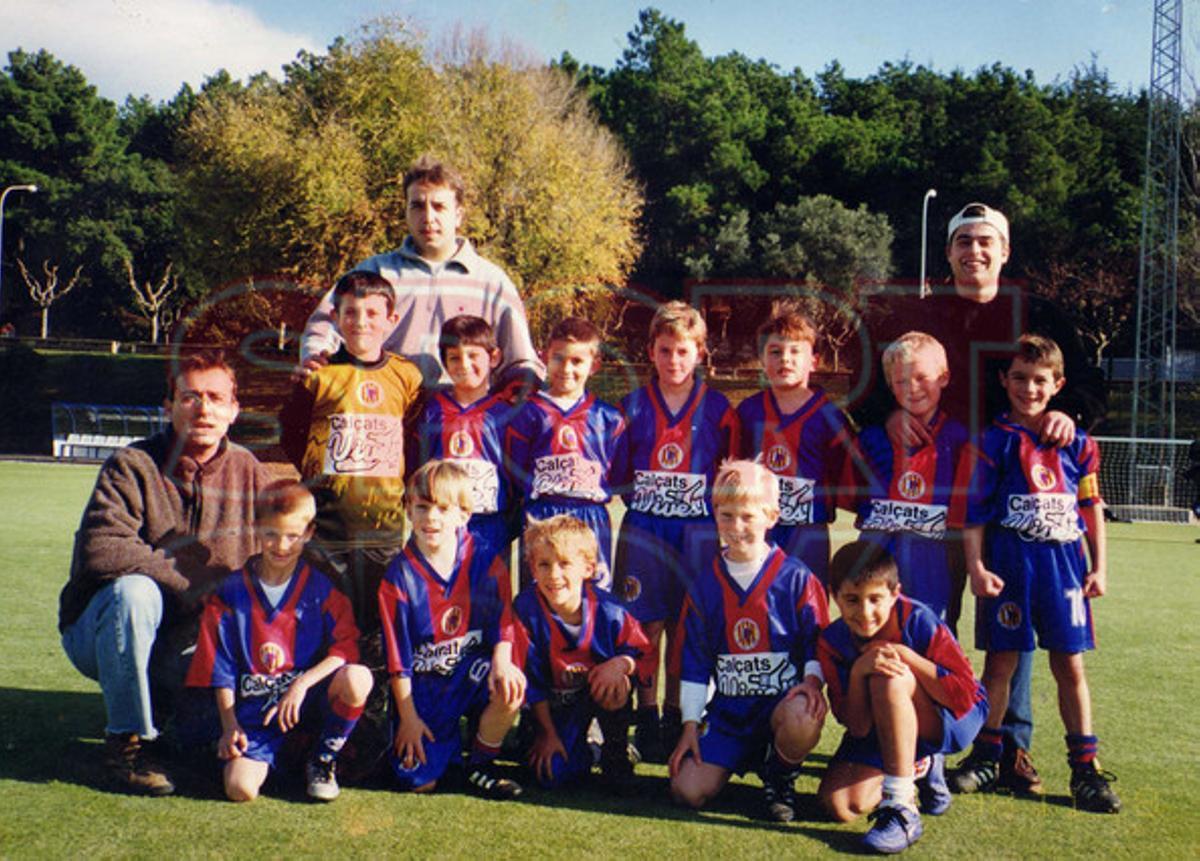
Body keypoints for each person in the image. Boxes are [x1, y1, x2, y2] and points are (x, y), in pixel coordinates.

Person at [855, 202, 1108, 795]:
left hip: (1005, 505)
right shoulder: (914, 315)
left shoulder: (1035, 314)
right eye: (963, 241)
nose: (974, 251)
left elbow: (1085, 383)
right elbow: (868, 389)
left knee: (1007, 633)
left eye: (986, 241)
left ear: (1005, 250)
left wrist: (1067, 416)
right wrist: (888, 414)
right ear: (948, 253)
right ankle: (912, 737)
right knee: (918, 617)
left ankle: (1007, 748)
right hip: (927, 502)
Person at [59, 350, 272, 795]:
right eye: (190, 396)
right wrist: (189, 584)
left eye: (216, 397)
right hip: (103, 635)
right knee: (135, 592)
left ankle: (174, 717)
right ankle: (129, 740)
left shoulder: (250, 472)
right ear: (168, 406)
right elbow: (102, 550)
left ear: (234, 409)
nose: (203, 408)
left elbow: (275, 558)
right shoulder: (132, 464)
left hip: (195, 642)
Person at [953, 335, 1121, 814]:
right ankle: (988, 756)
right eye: (1020, 379)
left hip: (1064, 570)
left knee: (1070, 666)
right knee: (1000, 665)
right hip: (1009, 569)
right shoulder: (989, 443)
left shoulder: (1079, 444)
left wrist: (1100, 567)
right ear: (1004, 381)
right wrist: (976, 566)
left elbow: (1092, 508)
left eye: (1040, 380)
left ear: (1058, 384)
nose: (1029, 388)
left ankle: (1084, 769)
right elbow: (974, 514)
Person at [186, 481, 372, 802]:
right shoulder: (230, 591)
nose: (281, 545)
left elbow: (346, 648)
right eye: (271, 534)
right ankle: (276, 758)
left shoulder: (322, 588)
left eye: (292, 536)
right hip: (254, 716)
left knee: (358, 678)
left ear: (309, 532)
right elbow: (221, 668)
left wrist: (301, 684)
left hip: (305, 710)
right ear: (257, 528)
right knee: (239, 789)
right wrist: (230, 725)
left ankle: (321, 757)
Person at [611, 300, 739, 763]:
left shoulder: (721, 409)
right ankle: (644, 715)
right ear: (651, 351)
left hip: (698, 534)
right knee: (646, 624)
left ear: (700, 353)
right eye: (665, 350)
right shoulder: (631, 406)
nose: (674, 360)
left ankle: (676, 713)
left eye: (683, 351)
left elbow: (729, 473)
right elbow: (620, 474)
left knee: (688, 627)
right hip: (645, 528)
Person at [669, 460, 828, 823]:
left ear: (771, 516)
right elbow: (694, 663)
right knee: (686, 790)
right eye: (726, 516)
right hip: (728, 714)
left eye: (747, 516)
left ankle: (780, 775)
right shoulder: (705, 584)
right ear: (715, 515)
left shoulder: (796, 579)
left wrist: (812, 683)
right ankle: (736, 757)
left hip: (779, 708)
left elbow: (814, 644)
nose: (736, 527)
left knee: (804, 717)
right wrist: (690, 725)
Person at [299, 155, 543, 391]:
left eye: (439, 206)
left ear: (458, 215)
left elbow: (520, 361)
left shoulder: (490, 282)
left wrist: (522, 391)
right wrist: (315, 357)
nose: (428, 217)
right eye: (417, 206)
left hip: (464, 421)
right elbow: (324, 326)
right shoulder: (374, 273)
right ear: (405, 211)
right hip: (384, 412)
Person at [817, 541, 988, 855]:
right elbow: (856, 727)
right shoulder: (832, 640)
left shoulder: (919, 620)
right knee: (841, 805)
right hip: (882, 719)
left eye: (875, 599)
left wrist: (905, 654)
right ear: (834, 595)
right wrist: (857, 672)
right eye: (852, 600)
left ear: (895, 593)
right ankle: (918, 763)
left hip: (950, 715)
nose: (865, 612)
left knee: (889, 676)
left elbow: (963, 696)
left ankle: (901, 808)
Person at [280, 270, 424, 628]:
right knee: (327, 624)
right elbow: (291, 435)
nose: (361, 323)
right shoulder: (319, 374)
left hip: (384, 529)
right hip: (328, 529)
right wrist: (321, 478)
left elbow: (415, 441)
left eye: (372, 314)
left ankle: (376, 683)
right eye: (351, 313)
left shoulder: (407, 377)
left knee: (380, 624)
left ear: (391, 320)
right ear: (336, 318)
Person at [377, 460, 525, 798]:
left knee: (511, 684)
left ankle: (481, 764)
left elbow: (503, 624)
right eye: (423, 507)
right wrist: (409, 718)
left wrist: (503, 663)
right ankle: (442, 747)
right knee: (420, 783)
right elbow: (398, 662)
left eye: (443, 509)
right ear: (408, 511)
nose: (432, 518)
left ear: (464, 514)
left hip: (470, 672)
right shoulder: (398, 578)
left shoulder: (486, 559)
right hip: (424, 689)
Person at [510, 514, 653, 791]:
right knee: (552, 774)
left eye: (565, 564)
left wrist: (622, 664)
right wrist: (547, 734)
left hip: (595, 695)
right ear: (532, 568)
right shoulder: (527, 610)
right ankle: (587, 749)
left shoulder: (610, 611)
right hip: (552, 707)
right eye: (544, 565)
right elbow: (532, 681)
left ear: (588, 568)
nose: (554, 575)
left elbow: (643, 652)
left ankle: (616, 749)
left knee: (614, 681)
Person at [737, 308, 861, 587]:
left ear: (814, 361)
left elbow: (848, 477)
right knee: (753, 606)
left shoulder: (830, 418)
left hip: (809, 532)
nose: (785, 360)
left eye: (796, 352)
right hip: (757, 528)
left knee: (807, 611)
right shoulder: (748, 412)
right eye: (775, 352)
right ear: (762, 360)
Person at [851, 332, 970, 622]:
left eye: (921, 377)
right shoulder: (872, 437)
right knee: (875, 627)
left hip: (934, 556)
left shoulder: (960, 439)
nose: (912, 388)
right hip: (878, 551)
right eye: (901, 381)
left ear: (943, 377)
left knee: (930, 628)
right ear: (890, 387)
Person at [505, 316, 625, 588]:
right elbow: (515, 471)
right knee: (541, 597)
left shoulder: (608, 418)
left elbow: (617, 476)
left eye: (577, 361)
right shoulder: (528, 413)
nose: (566, 368)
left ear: (594, 365)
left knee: (593, 599)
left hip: (590, 517)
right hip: (542, 516)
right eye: (558, 358)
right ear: (543, 357)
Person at [415, 315, 518, 565]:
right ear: (445, 363)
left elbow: (515, 477)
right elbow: (421, 466)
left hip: (490, 526)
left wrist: (508, 526)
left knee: (488, 598)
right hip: (442, 524)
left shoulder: (506, 413)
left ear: (493, 358)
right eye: (454, 357)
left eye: (473, 355)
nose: (464, 364)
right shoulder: (433, 411)